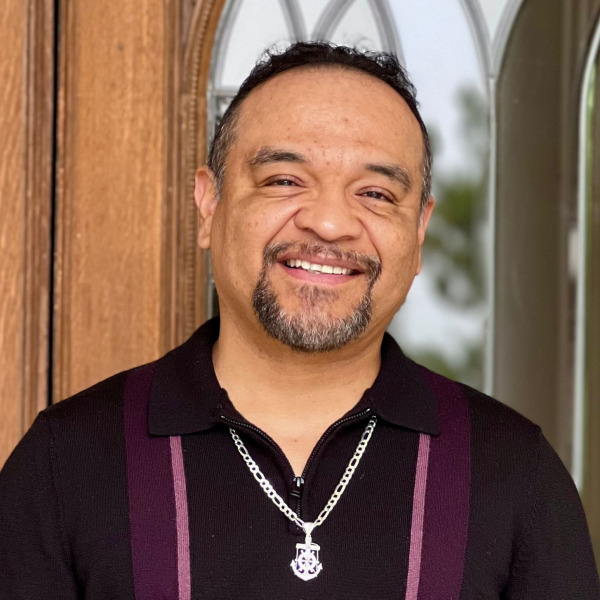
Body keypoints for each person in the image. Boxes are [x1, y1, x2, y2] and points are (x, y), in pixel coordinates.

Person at [0, 42, 598, 600]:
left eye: (376, 194)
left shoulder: (514, 472)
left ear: (419, 231)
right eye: (284, 180)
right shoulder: (64, 466)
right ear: (209, 204)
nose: (330, 223)